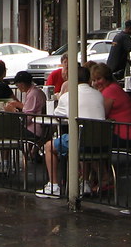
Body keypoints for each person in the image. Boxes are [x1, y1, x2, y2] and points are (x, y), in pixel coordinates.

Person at [36, 64, 106, 198]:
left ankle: (54, 185)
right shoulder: (98, 95)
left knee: (49, 146)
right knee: (80, 141)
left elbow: (57, 115)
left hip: (80, 141)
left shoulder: (68, 97)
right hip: (101, 142)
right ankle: (84, 183)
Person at [4, 70, 46, 142]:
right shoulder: (37, 91)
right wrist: (18, 105)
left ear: (22, 84)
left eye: (17, 85)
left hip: (33, 130)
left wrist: (12, 111)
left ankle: (12, 152)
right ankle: (28, 152)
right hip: (40, 128)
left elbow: (26, 119)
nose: (18, 88)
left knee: (5, 132)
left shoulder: (32, 95)